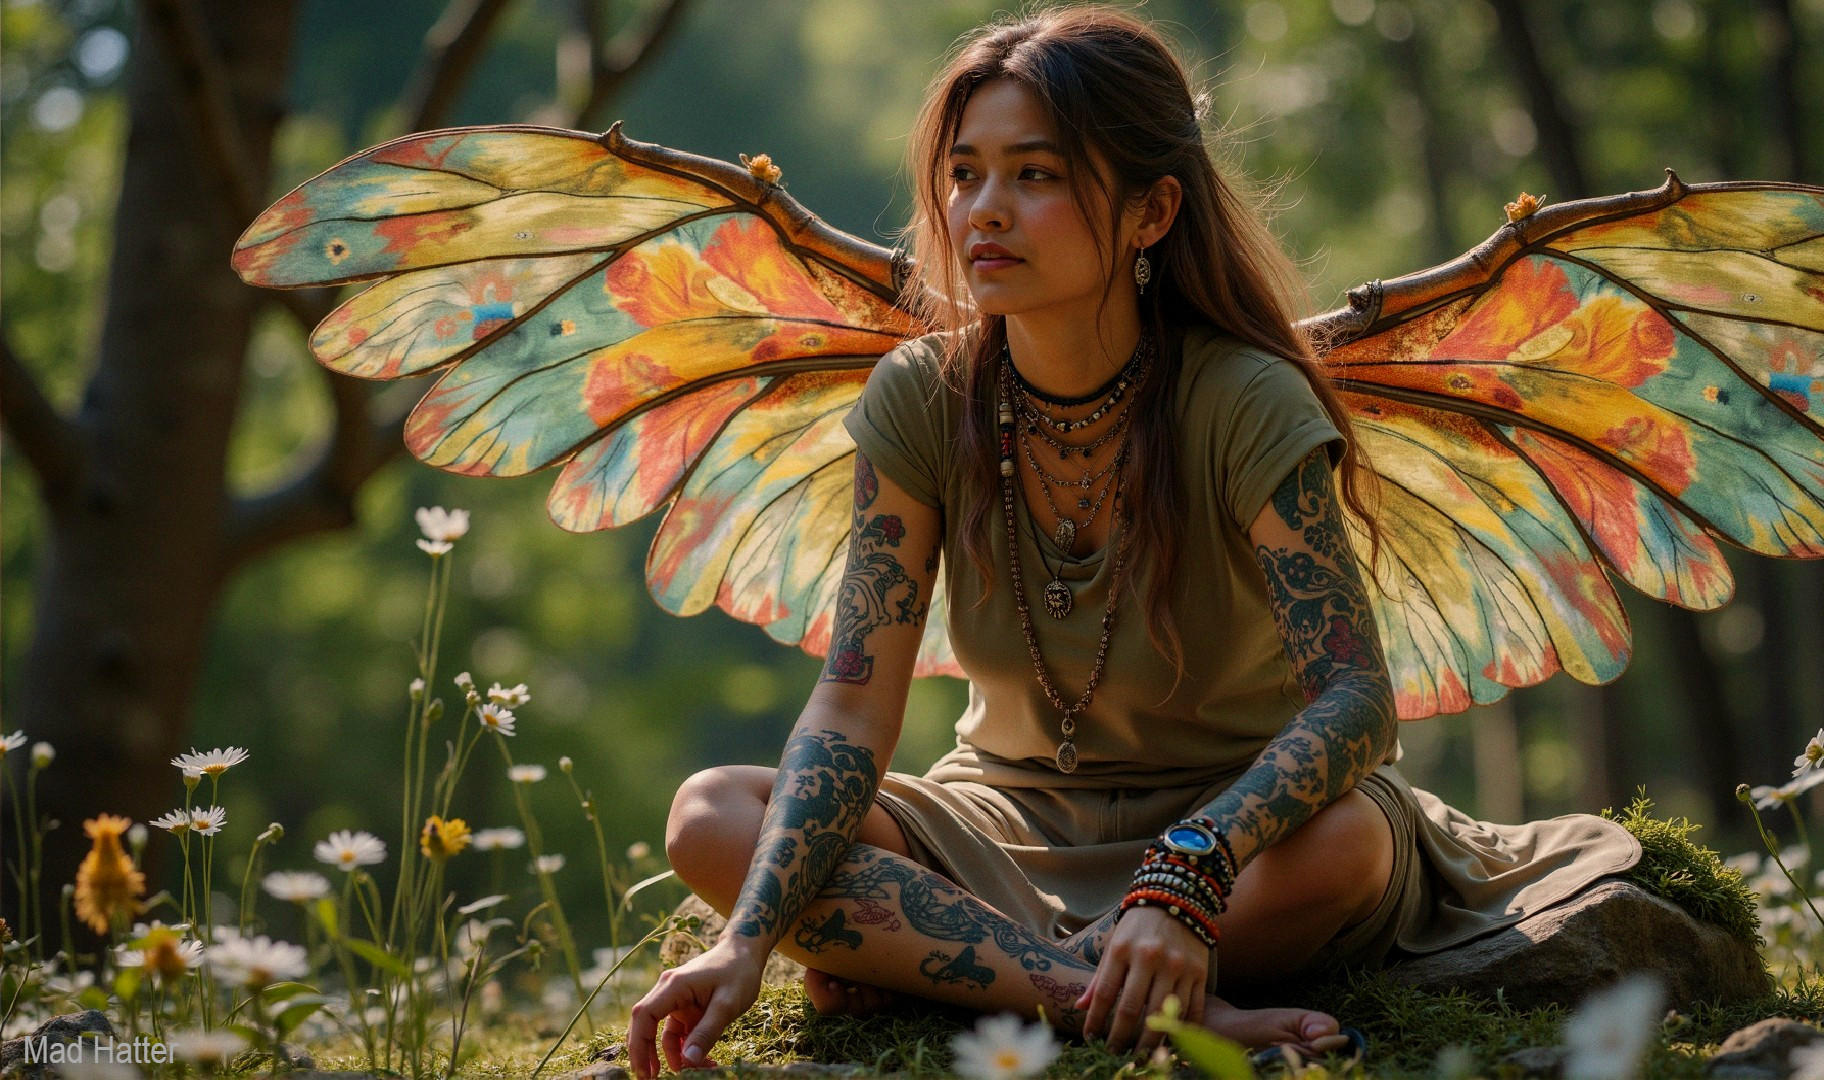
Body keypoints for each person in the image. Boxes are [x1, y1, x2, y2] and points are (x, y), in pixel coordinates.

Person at [626, 6, 1640, 1077]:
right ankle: (1097, 996)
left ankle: (964, 971)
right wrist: (744, 938)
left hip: (1242, 835)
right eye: (965, 173)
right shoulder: (921, 398)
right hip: (1000, 823)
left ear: (1152, 210)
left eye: (1036, 175)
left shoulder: (1245, 397)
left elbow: (1355, 705)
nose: (985, 211)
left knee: (1348, 848)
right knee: (710, 818)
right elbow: (851, 699)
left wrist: (1189, 871)